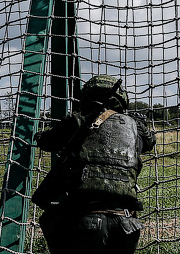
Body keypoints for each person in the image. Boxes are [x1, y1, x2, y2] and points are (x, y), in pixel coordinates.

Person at [34, 74, 156, 254]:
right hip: (127, 223)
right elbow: (149, 142)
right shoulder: (135, 127)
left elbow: (46, 141)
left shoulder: (79, 120)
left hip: (84, 221)